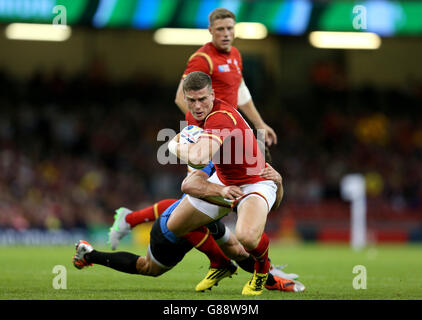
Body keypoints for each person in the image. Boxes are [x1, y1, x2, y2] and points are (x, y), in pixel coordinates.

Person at [73, 162, 305, 293]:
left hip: (200, 222)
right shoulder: (212, 166)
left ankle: (270, 278)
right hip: (169, 232)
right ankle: (91, 254)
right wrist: (221, 262)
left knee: (236, 247)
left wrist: (278, 183)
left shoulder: (247, 175)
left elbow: (266, 208)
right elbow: (182, 199)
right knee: (149, 268)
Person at [166, 71, 280, 295]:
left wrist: (173, 146)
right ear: (186, 99)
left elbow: (199, 159)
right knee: (175, 225)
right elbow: (197, 162)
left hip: (254, 182)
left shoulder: (221, 117)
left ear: (213, 94)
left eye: (202, 99)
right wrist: (213, 186)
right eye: (191, 100)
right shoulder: (193, 117)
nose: (197, 106)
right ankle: (221, 263)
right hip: (224, 179)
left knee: (246, 237)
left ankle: (262, 269)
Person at [175, 8, 277, 148]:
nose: (226, 34)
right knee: (204, 170)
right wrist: (206, 129)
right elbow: (181, 97)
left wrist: (259, 123)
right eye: (220, 29)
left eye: (229, 28)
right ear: (210, 30)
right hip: (208, 138)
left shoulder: (235, 55)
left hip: (227, 134)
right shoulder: (203, 59)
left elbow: (240, 92)